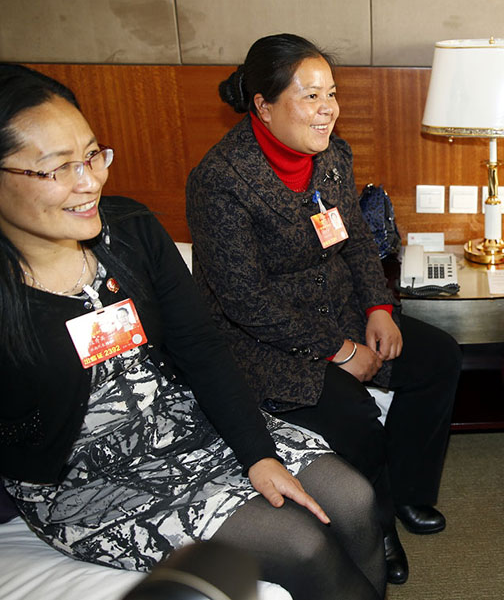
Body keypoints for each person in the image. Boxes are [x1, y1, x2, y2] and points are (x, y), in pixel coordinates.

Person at [0, 64, 385, 600]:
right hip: (86, 475)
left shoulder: (131, 229)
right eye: (57, 168)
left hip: (184, 419)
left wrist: (257, 453)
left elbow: (202, 347)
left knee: (354, 498)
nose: (90, 182)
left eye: (91, 155)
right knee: (301, 544)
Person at [185, 33, 461, 585]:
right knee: (354, 417)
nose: (327, 109)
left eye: (330, 94)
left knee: (439, 359)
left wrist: (380, 307)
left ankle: (409, 493)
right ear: (262, 105)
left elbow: (356, 237)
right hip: (264, 342)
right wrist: (338, 350)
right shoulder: (220, 181)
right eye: (310, 96)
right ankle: (379, 526)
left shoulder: (332, 154)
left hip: (341, 311)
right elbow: (244, 300)